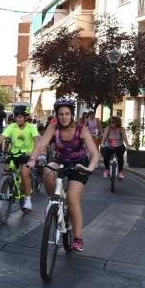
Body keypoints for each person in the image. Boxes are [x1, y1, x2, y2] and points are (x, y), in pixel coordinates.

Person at [26, 97, 100, 252]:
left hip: (79, 165)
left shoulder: (82, 130)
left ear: (72, 114)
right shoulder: (54, 127)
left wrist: (90, 168)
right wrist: (32, 159)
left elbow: (94, 153)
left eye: (67, 114)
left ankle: (78, 237)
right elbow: (40, 145)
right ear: (56, 115)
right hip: (61, 161)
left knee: (72, 198)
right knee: (47, 170)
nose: (64, 117)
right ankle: (53, 200)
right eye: (60, 114)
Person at [0, 105, 39, 212]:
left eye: (21, 117)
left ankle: (27, 199)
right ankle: (2, 198)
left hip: (26, 155)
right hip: (14, 154)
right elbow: (2, 137)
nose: (18, 119)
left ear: (26, 117)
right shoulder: (12, 126)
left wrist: (33, 153)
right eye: (16, 116)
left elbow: (37, 141)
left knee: (24, 174)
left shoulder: (31, 127)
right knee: (5, 172)